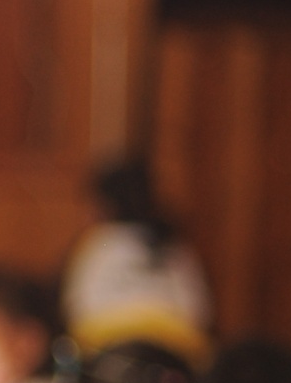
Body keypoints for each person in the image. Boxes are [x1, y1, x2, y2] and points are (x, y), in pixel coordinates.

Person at [61, 158, 212, 368]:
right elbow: (200, 311)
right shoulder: (176, 243)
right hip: (179, 349)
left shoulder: (99, 242)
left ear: (105, 204)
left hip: (106, 345)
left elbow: (74, 308)